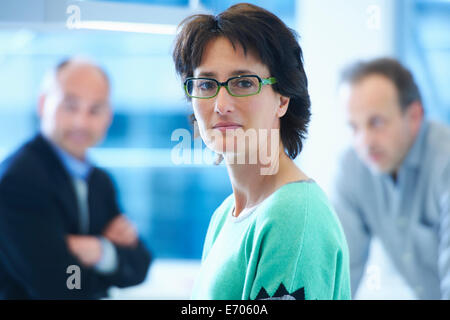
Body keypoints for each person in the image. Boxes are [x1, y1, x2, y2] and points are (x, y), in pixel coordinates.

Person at [172, 3, 351, 300]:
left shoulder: (293, 214)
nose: (221, 104)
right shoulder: (224, 216)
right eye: (206, 84)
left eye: (243, 83)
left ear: (282, 99)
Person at [0, 58, 152, 299]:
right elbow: (56, 284)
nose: (81, 122)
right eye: (70, 106)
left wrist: (99, 250)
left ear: (109, 116)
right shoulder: (17, 180)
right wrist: (108, 261)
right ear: (42, 104)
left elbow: (140, 265)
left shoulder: (100, 181)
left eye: (95, 110)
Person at [332, 57, 450, 299]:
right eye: (354, 127)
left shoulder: (444, 163)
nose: (364, 142)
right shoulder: (352, 168)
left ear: (414, 116)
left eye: (376, 122)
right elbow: (340, 273)